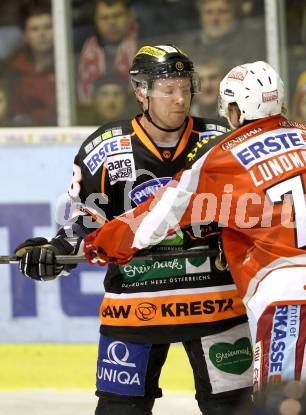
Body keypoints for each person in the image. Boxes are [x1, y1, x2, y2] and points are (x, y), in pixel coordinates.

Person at [83, 60, 306, 414]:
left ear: (237, 110)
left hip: (299, 296)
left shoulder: (222, 155)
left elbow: (156, 215)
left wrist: (99, 244)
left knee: (284, 406)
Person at [14, 45, 253, 415]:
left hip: (216, 304)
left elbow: (252, 216)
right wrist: (51, 253)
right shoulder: (103, 149)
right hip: (136, 305)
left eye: (185, 87)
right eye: (167, 89)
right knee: (119, 409)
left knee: (234, 409)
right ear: (141, 91)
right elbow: (82, 227)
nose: (180, 98)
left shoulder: (222, 140)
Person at [77, 0, 139, 106]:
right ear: (95, 21)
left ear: (130, 17)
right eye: (104, 18)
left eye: (117, 15)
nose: (111, 22)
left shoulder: (146, 45)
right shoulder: (83, 49)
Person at [5, 0, 56, 126]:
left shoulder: (68, 66)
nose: (42, 34)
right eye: (34, 29)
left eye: (47, 27)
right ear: (26, 35)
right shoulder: (13, 69)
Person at [178, 0, 266, 68]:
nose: (215, 19)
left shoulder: (251, 43)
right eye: (209, 12)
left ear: (234, 15)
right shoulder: (188, 47)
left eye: (222, 12)